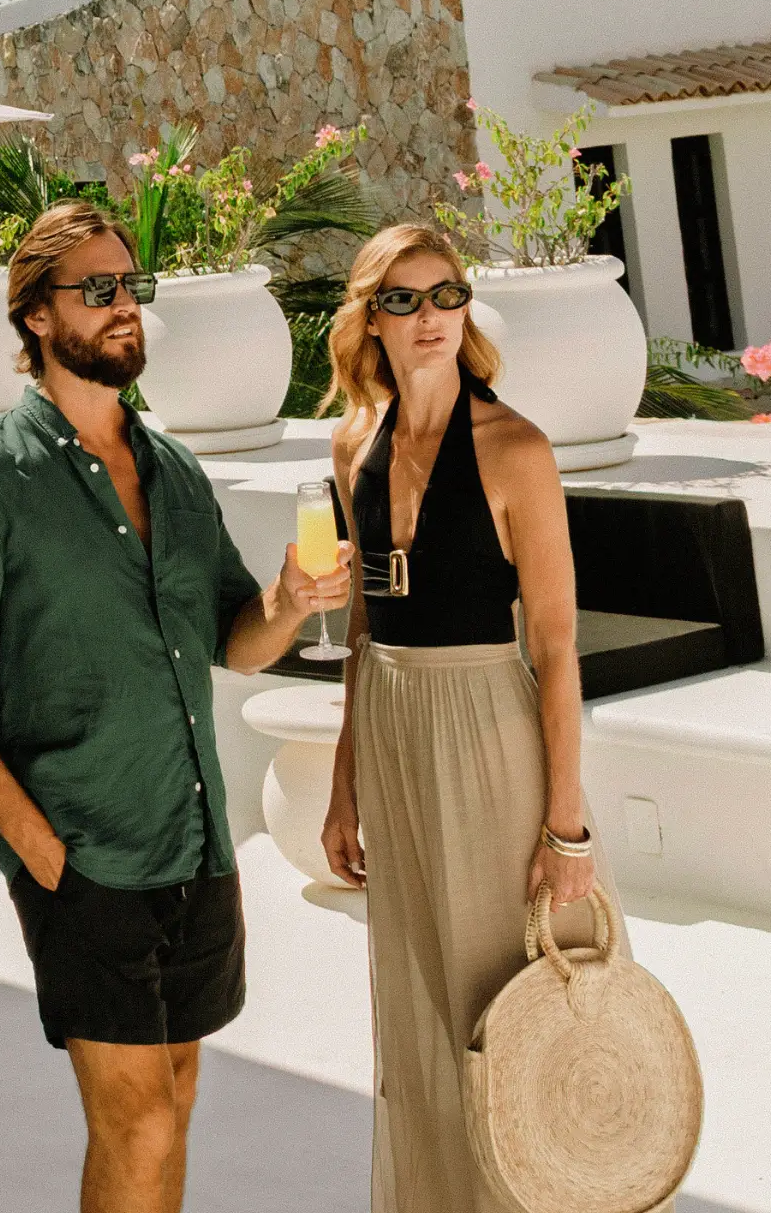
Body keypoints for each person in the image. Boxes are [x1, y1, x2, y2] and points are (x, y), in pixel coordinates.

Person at [0, 205, 350, 1213]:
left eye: (130, 286)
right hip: (81, 849)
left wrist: (290, 601)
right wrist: (28, 837)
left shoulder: (175, 473)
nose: (122, 306)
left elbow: (233, 635)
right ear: (38, 319)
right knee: (133, 1118)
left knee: (172, 1097)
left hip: (191, 836)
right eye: (95, 289)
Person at [316, 223, 611, 1213]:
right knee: (414, 999)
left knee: (507, 1000)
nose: (430, 317)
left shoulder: (512, 448)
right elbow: (362, 627)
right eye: (402, 299)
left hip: (487, 726)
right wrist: (342, 779)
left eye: (445, 294)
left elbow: (558, 646)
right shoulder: (352, 441)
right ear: (370, 318)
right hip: (391, 727)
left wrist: (565, 825)